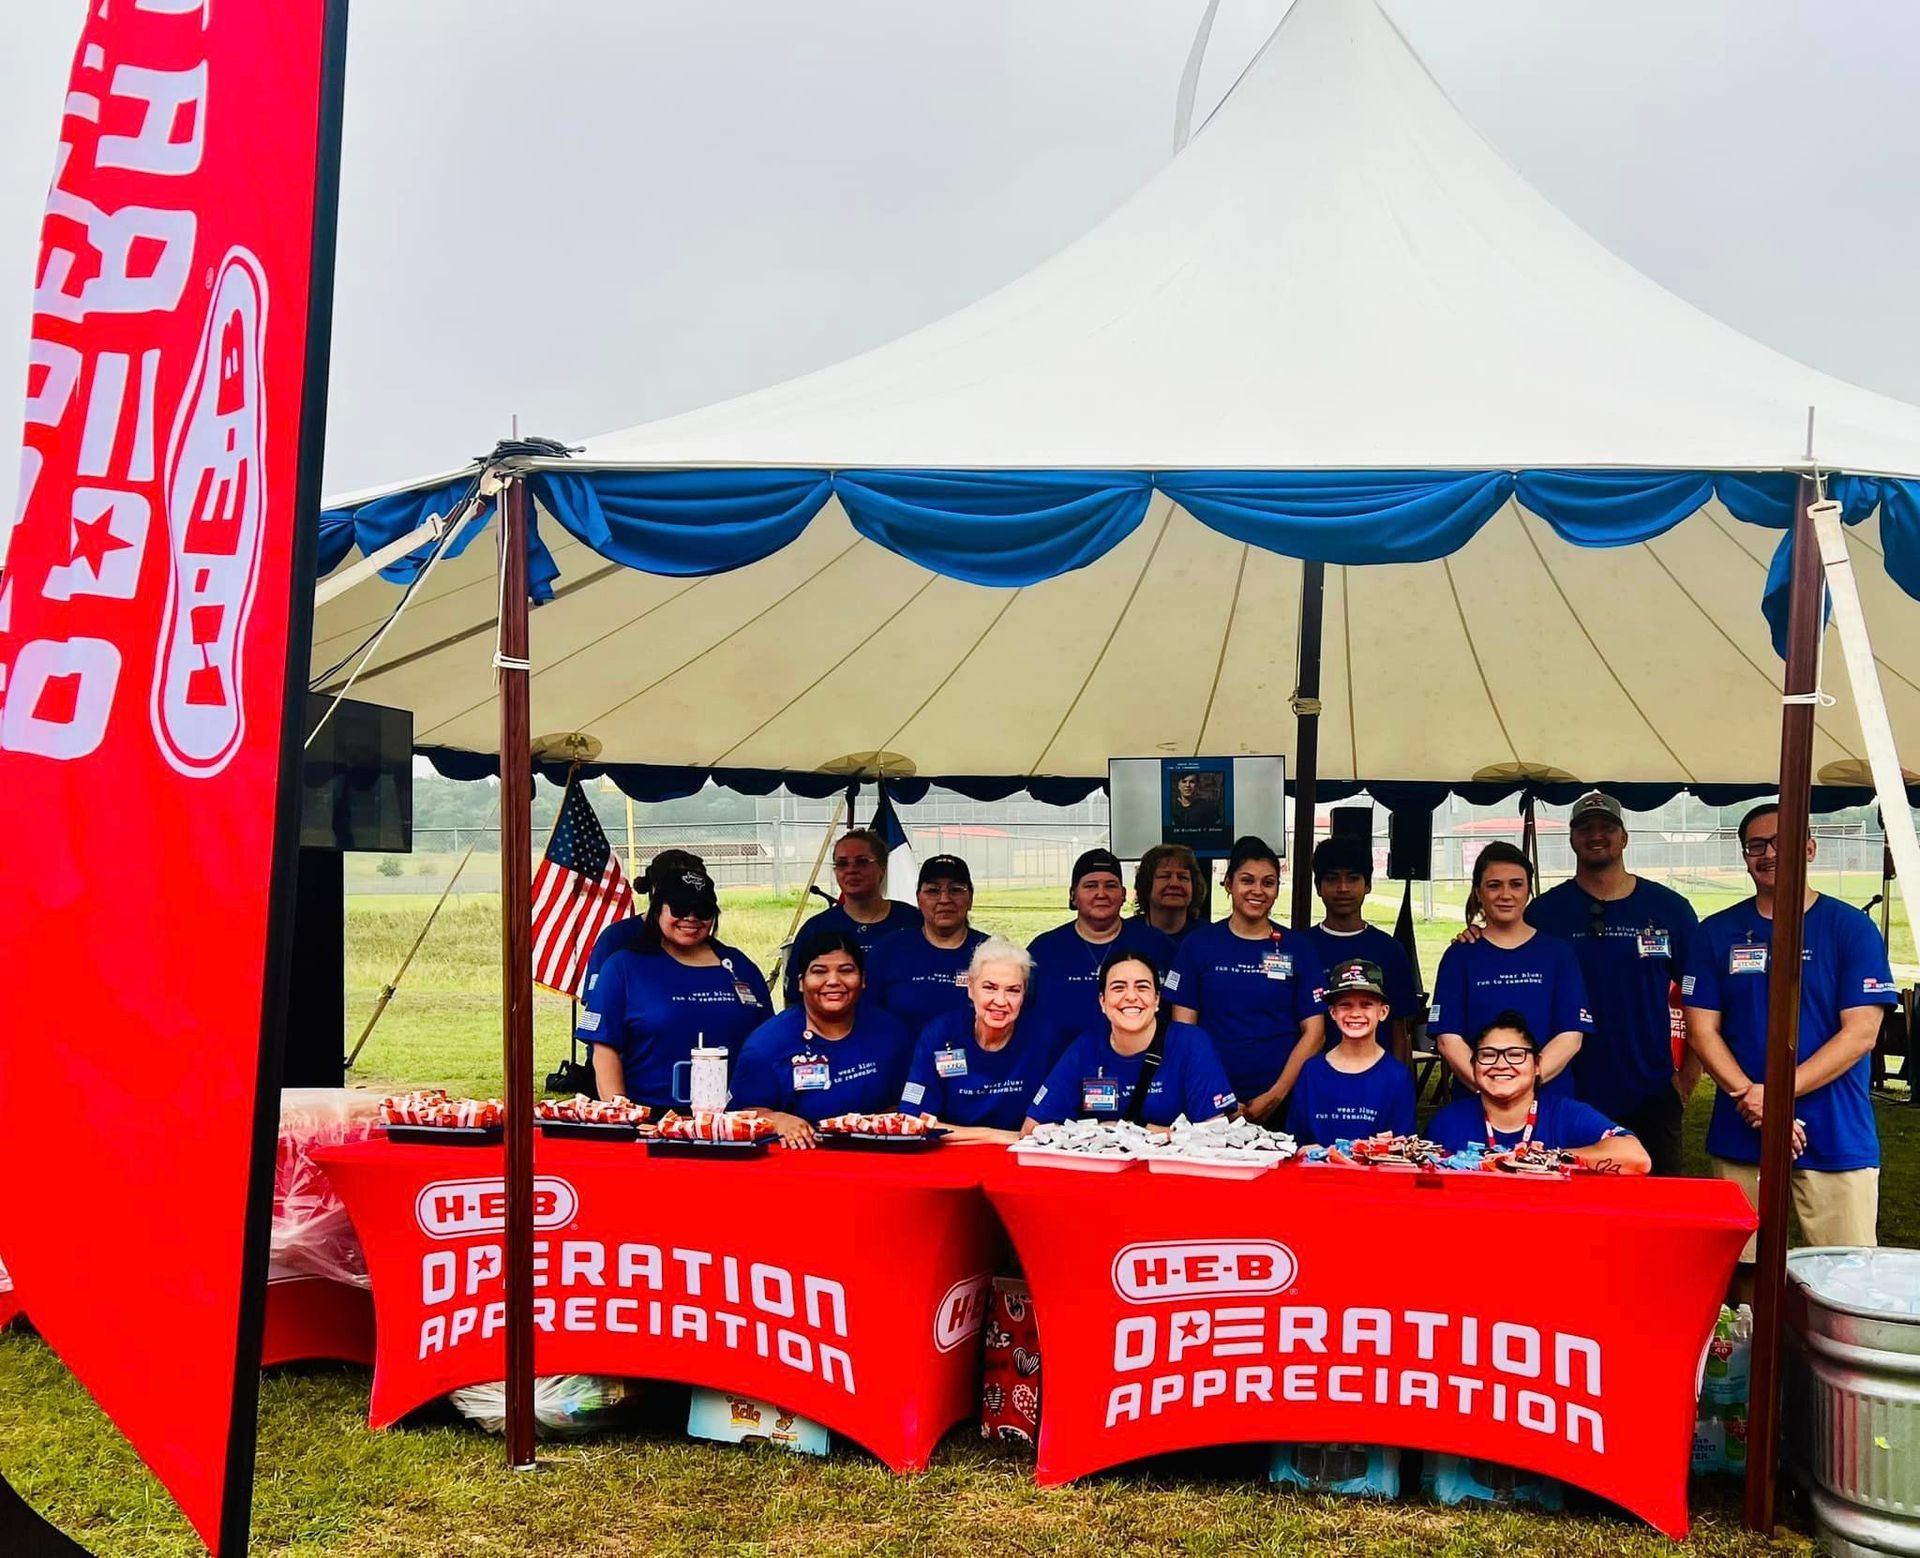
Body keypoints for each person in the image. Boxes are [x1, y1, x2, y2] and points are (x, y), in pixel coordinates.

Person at [1684, 801, 1897, 1263]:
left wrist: (1776, 1100)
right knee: (1738, 1271)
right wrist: (1753, 1097)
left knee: (1846, 1274)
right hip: (1743, 1132)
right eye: (1756, 845)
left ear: (1810, 848)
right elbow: (1702, 1032)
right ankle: (1751, 1339)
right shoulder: (1716, 933)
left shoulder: (1851, 929)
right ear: (1744, 856)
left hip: (1836, 1135)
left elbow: (1861, 1033)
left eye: (1782, 842)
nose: (1769, 853)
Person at [1527, 791, 1701, 1177]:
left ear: (1624, 837)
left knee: (1659, 1210)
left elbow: (1701, 996)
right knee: (1574, 1206)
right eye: (1585, 828)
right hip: (1568, 1088)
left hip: (1650, 1088)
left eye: (1607, 827)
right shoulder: (1545, 912)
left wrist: (1688, 1076)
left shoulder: (1668, 909)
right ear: (1572, 839)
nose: (1596, 836)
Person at [577, 865, 771, 1112]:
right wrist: (620, 1113)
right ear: (658, 910)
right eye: (679, 908)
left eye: (702, 910)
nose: (691, 917)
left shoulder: (740, 966)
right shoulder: (623, 967)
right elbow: (603, 1048)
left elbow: (767, 1041)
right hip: (650, 1119)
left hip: (734, 1118)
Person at [1167, 836, 1324, 1122]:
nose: (1258, 891)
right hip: (1207, 1098)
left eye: (1268, 882)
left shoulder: (1297, 948)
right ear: (1228, 884)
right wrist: (1215, 1094)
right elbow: (1183, 1032)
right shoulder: (1198, 945)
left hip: (1282, 1101)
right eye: (1247, 880)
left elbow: (1315, 1032)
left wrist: (1276, 1094)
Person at [1431, 842, 1591, 1100]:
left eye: (1516, 884)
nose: (1506, 894)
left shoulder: (1559, 954)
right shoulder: (1459, 956)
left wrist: (1526, 1084)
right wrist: (1490, 1087)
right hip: (1478, 1103)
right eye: (1494, 885)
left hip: (1547, 1102)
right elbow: (1448, 1039)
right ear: (1478, 892)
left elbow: (1570, 1036)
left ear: (1528, 890)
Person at [731, 929, 915, 1148]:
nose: (833, 981)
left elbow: (910, 1101)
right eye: (819, 972)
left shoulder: (891, 1032)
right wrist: (778, 1121)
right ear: (801, 982)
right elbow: (740, 1116)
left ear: (863, 980)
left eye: (846, 971)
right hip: (800, 1165)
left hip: (880, 1156)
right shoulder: (766, 1046)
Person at [1025, 949, 1237, 1129]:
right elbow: (1033, 1129)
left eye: (1142, 987)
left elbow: (1214, 1137)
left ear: (1156, 1000)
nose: (1131, 996)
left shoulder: (1191, 1044)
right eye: (1118, 987)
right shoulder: (1085, 1049)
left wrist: (1126, 1130)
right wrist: (1091, 1133)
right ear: (1103, 1001)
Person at [1427, 1013, 1650, 1172]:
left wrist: (1542, 1160)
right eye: (1488, 1055)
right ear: (1474, 1065)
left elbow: (1637, 1158)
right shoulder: (1448, 1122)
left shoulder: (1566, 1115)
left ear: (1536, 1065)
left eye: (1515, 1054)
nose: (1501, 1064)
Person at [900, 937, 1060, 1141]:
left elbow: (1057, 1123)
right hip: (950, 1157)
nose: (1000, 1001)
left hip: (1019, 1156)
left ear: (1024, 993)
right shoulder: (940, 1034)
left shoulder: (1044, 1038)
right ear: (970, 987)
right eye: (990, 987)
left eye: (1013, 990)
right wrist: (992, 1135)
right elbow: (913, 1120)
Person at [1026, 848, 1175, 1039]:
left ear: (1123, 894)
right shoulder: (1044, 950)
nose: (1101, 894)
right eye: (1090, 886)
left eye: (1111, 885)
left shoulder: (1158, 947)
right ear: (1073, 895)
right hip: (1061, 1064)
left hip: (1141, 1064)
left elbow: (1178, 1013)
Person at [1298, 835, 1420, 1064]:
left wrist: (1402, 1091)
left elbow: (1400, 1032)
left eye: (1352, 878)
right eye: (1333, 879)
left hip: (1375, 1087)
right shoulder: (1300, 948)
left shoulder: (1389, 950)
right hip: (1313, 1083)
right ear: (1318, 887)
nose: (1343, 888)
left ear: (1368, 885)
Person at [1285, 959, 1417, 1145]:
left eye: (1366, 1004)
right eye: (1345, 1005)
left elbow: (1402, 1147)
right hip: (1318, 1172)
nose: (1355, 1013)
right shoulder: (1312, 1071)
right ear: (1332, 1012)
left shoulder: (1397, 1076)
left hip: (1375, 1173)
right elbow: (1295, 1140)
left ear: (1383, 1012)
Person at [782, 828, 922, 1003]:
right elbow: (794, 997)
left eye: (862, 862)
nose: (851, 870)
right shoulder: (816, 929)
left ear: (882, 868)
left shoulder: (913, 921)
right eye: (842, 863)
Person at [864, 855, 988, 1032]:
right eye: (933, 891)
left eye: (956, 890)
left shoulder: (991, 953)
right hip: (901, 1059)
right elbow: (867, 1016)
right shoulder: (889, 950)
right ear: (918, 899)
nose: (944, 899)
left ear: (970, 898)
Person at [583, 846, 708, 994]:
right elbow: (597, 1001)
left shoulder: (702, 937)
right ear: (654, 889)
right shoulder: (617, 938)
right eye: (677, 888)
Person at [1133, 843, 1208, 943]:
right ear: (1146, 885)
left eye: (1182, 877)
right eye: (1165, 876)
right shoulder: (1125, 936)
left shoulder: (1210, 937)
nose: (1174, 884)